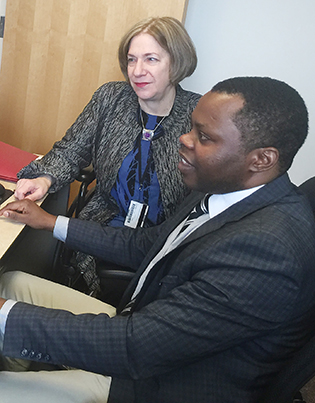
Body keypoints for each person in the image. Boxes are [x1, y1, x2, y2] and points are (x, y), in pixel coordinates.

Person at [0, 76, 315, 403]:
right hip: (145, 329)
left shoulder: (267, 251)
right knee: (11, 283)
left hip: (159, 381)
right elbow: (145, 245)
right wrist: (51, 222)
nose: (184, 139)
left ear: (261, 159)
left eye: (204, 137)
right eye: (191, 127)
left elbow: (133, 347)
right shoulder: (222, 186)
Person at [14, 16, 201, 293]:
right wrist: (45, 178)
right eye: (131, 59)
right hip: (102, 223)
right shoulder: (111, 98)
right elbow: (73, 148)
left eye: (151, 59)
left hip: (162, 239)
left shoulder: (198, 113)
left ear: (176, 62)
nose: (137, 71)